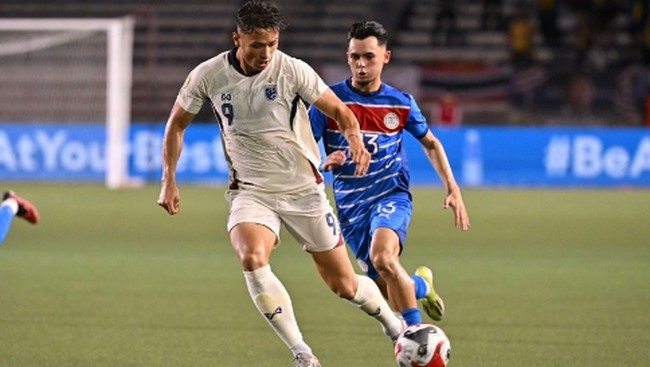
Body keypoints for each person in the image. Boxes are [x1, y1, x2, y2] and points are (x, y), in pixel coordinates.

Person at [156, 2, 404, 366]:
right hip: (251, 191)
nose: (266, 53)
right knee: (252, 257)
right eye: (257, 45)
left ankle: (394, 326)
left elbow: (341, 111)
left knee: (345, 285)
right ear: (237, 38)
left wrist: (353, 138)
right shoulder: (208, 75)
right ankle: (302, 353)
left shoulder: (293, 70)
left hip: (304, 190)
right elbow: (177, 124)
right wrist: (169, 180)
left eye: (272, 43)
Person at [308, 21, 470, 328]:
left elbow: (431, 143)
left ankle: (419, 336)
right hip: (351, 209)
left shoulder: (401, 103)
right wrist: (322, 161)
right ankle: (421, 286)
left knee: (383, 258)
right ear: (347, 57)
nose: (361, 64)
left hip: (390, 197)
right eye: (355, 57)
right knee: (386, 285)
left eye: (369, 56)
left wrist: (452, 187)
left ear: (386, 57)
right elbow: (299, 149)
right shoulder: (328, 102)